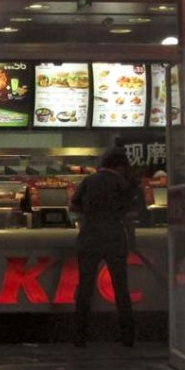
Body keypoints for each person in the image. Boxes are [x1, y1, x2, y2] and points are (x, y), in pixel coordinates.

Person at [70, 146, 137, 348]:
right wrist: (132, 239)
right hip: (114, 238)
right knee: (121, 287)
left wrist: (89, 213)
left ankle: (80, 337)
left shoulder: (88, 181)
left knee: (85, 287)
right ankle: (127, 337)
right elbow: (128, 215)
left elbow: (73, 206)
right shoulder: (122, 183)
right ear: (120, 166)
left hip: (89, 238)